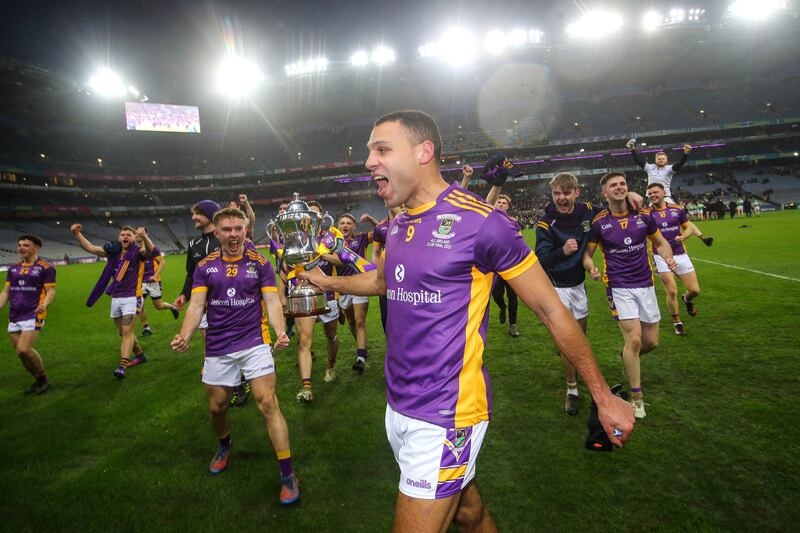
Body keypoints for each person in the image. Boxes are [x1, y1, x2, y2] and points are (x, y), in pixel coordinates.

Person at [299, 110, 634, 532]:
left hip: (447, 414)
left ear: (424, 152)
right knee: (470, 516)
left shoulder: (482, 224)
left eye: (382, 150)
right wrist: (325, 281)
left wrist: (603, 397)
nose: (369, 162)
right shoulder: (398, 226)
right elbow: (384, 283)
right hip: (400, 405)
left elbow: (552, 310)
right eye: (370, 152)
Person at [170, 207, 298, 505]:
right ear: (216, 232)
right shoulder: (205, 267)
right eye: (226, 230)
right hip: (218, 345)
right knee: (217, 408)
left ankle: (288, 474)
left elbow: (271, 300)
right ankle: (225, 444)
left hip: (254, 341)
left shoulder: (260, 263)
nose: (233, 235)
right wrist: (185, 335)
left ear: (246, 230)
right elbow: (196, 305)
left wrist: (280, 332)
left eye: (238, 228)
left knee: (268, 402)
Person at [583, 172, 677, 419]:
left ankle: (627, 357)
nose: (619, 187)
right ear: (605, 193)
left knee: (651, 342)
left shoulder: (643, 215)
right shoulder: (599, 223)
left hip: (645, 284)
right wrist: (590, 267)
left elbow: (660, 242)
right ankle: (637, 399)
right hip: (618, 286)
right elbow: (587, 255)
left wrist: (668, 256)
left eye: (622, 183)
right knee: (634, 339)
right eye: (613, 185)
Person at [175, 198, 251, 406]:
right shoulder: (194, 244)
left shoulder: (227, 237)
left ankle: (240, 383)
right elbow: (191, 274)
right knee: (212, 343)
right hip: (204, 306)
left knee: (235, 344)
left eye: (197, 213)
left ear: (209, 215)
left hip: (230, 304)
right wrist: (184, 294)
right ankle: (226, 382)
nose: (193, 217)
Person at [72, 224, 153, 378]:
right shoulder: (113, 252)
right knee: (123, 332)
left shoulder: (138, 252)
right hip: (116, 299)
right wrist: (76, 234)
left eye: (129, 234)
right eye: (122, 234)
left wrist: (145, 237)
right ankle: (140, 355)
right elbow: (90, 248)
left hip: (132, 298)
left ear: (135, 238)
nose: (125, 237)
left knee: (128, 331)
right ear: (119, 237)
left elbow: (148, 250)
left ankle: (122, 366)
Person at [286, 200, 341, 401]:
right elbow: (286, 268)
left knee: (331, 336)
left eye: (314, 216)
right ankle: (306, 387)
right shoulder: (295, 239)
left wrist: (320, 253)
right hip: (304, 293)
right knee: (304, 340)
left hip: (328, 295)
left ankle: (330, 365)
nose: (310, 220)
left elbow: (340, 260)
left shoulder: (330, 237)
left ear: (321, 217)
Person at [645, 183, 705, 336]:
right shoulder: (647, 213)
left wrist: (683, 237)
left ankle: (686, 299)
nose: (653, 195)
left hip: (680, 254)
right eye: (650, 193)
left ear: (663, 192)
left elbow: (689, 227)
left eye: (655, 192)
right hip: (660, 256)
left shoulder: (677, 209)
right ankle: (677, 322)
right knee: (671, 290)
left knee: (695, 290)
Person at [0, 235, 56, 394]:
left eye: (25, 245)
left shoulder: (46, 267)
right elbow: (6, 292)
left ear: (36, 248)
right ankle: (39, 380)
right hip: (15, 314)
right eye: (19, 245)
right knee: (19, 352)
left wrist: (44, 304)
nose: (21, 248)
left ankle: (43, 379)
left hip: (34, 313)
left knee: (24, 349)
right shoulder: (13, 268)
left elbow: (51, 290)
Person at [336, 213, 374, 375]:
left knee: (359, 322)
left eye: (349, 223)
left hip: (360, 283)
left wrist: (371, 219)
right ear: (338, 226)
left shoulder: (362, 239)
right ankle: (362, 346)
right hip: (344, 287)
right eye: (342, 223)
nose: (345, 225)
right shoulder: (333, 243)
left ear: (354, 226)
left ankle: (361, 358)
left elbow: (383, 229)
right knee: (351, 322)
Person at [136, 239, 179, 339]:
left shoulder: (153, 249)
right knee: (139, 305)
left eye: (139, 234)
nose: (137, 236)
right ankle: (146, 328)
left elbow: (162, 262)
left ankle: (172, 307)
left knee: (158, 306)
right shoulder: (136, 250)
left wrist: (156, 275)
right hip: (141, 283)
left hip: (154, 282)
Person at [491, 194, 521, 337]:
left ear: (508, 206)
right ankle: (502, 307)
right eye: (499, 202)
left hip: (511, 264)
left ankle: (513, 325)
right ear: (495, 204)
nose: (501, 204)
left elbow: (519, 240)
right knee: (496, 294)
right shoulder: (488, 220)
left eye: (504, 202)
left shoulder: (513, 222)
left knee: (512, 296)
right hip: (496, 266)